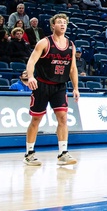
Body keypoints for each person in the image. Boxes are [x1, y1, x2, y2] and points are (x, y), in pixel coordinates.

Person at [23, 13, 80, 167]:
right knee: (36, 120)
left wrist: (75, 87)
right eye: (59, 22)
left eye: (64, 23)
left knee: (62, 118)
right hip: (42, 84)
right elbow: (31, 61)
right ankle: (29, 154)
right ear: (52, 25)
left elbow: (73, 68)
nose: (62, 25)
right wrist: (31, 77)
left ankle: (63, 153)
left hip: (60, 86)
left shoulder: (71, 45)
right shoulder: (44, 43)